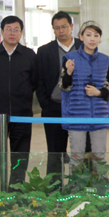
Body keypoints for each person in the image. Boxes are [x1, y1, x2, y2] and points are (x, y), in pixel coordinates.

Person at [0, 15, 37, 194]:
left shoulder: (29, 55)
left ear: (21, 33)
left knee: (20, 156)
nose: (12, 33)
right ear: (2, 31)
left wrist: (23, 96)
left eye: (16, 30)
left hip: (22, 114)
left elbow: (34, 81)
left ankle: (15, 192)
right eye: (9, 29)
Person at [60, 21, 109, 168]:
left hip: (99, 116)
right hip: (76, 115)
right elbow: (63, 87)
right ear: (81, 37)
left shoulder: (105, 60)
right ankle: (75, 183)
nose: (92, 39)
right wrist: (69, 73)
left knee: (99, 157)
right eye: (88, 35)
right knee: (77, 157)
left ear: (100, 38)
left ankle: (100, 183)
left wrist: (99, 92)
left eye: (96, 35)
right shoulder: (69, 58)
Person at [36, 11, 82, 185]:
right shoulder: (44, 51)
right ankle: (54, 188)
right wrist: (45, 104)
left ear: (71, 27)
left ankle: (80, 186)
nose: (61, 31)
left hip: (80, 107)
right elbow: (38, 80)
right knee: (55, 151)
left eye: (64, 27)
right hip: (54, 107)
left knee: (81, 149)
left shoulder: (83, 46)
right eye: (57, 28)